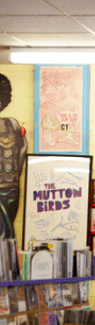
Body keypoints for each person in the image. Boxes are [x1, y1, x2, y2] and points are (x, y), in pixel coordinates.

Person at [0, 74, 27, 240]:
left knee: (7, 230)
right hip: (10, 185)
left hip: (10, 189)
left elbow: (22, 148)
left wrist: (16, 174)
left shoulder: (12, 123)